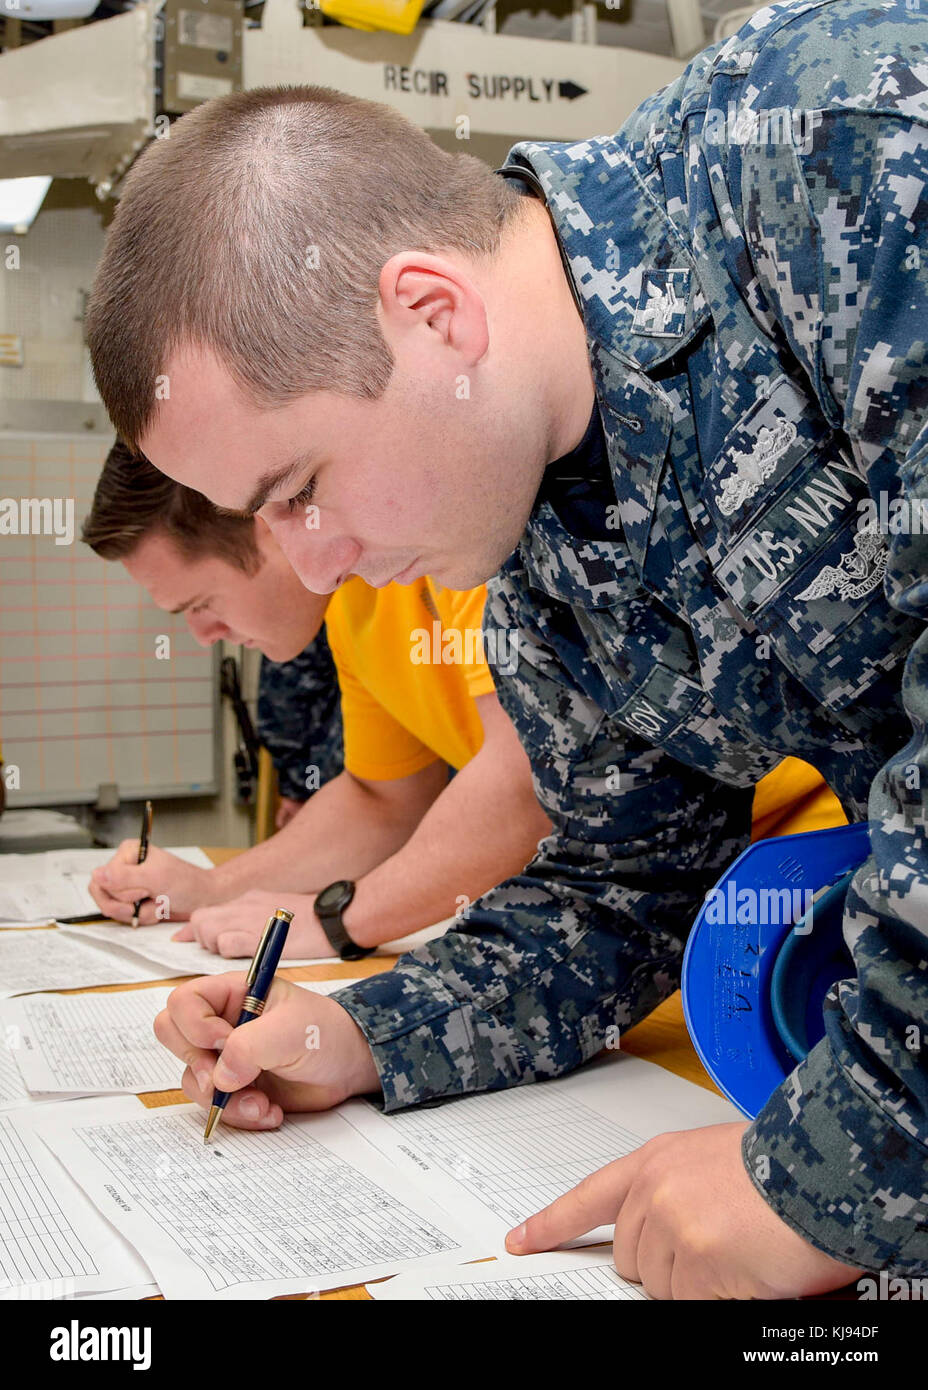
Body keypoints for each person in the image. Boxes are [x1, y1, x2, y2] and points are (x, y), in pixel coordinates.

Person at [84, 0, 927, 1297]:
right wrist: (358, 1031)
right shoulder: (534, 540)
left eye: (300, 485)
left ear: (433, 313)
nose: (311, 564)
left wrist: (829, 1170)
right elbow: (614, 895)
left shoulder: (840, 146)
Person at [82, 443, 552, 958]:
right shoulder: (351, 604)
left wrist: (336, 919)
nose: (202, 635)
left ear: (265, 521)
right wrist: (214, 888)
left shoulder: (443, 545)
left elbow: (527, 776)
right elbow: (384, 802)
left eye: (202, 604)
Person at [258, 630, 344, 830]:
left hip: (333, 782)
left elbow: (285, 701)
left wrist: (297, 788)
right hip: (399, 774)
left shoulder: (307, 607)